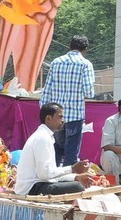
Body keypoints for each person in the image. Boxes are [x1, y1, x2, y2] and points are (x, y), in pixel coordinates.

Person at [13, 102, 91, 196]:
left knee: (77, 184)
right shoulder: (42, 138)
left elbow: (50, 175)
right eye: (60, 117)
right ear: (48, 119)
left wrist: (76, 177)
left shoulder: (45, 136)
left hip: (40, 184)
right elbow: (44, 174)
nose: (63, 121)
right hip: (31, 188)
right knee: (77, 187)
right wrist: (72, 168)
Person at [40, 35, 94, 166]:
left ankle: (53, 176)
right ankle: (68, 178)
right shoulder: (85, 64)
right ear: (85, 49)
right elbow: (89, 93)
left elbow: (46, 91)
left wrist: (44, 114)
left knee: (55, 152)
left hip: (55, 116)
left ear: (70, 47)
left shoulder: (56, 62)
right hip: (75, 118)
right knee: (71, 155)